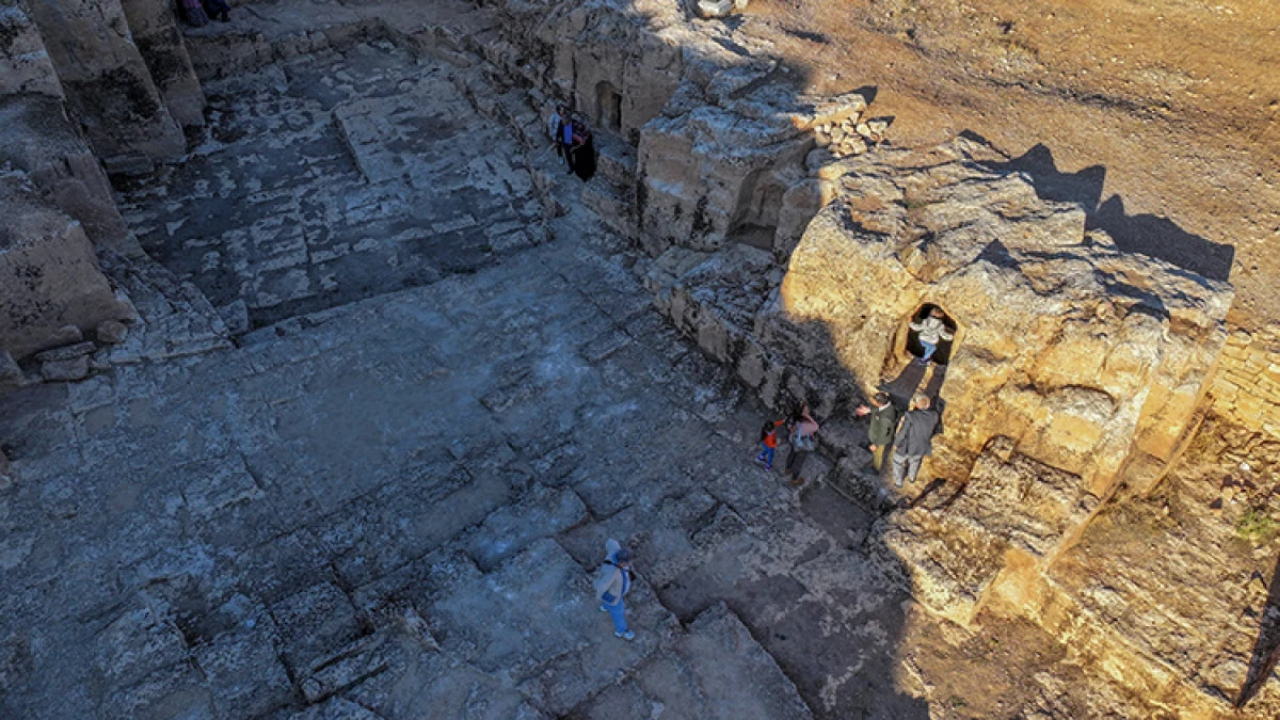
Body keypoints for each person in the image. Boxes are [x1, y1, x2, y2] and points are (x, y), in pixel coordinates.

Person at [891, 396, 940, 488]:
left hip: (907, 446)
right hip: (922, 446)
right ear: (928, 405)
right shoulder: (934, 416)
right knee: (915, 461)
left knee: (897, 462)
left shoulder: (911, 416)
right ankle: (912, 478)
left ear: (917, 405)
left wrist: (896, 444)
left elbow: (903, 432)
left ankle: (898, 482)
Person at [594, 539, 635, 640]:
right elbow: (601, 586)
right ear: (621, 562)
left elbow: (610, 542)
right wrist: (600, 597)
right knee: (618, 613)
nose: (630, 563)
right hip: (614, 596)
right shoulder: (612, 573)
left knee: (610, 602)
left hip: (612, 592)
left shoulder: (615, 551)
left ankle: (605, 606)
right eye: (627, 562)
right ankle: (621, 631)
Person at [855, 392, 898, 473]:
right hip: (876, 431)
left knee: (877, 454)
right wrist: (868, 410)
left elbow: (883, 434)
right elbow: (879, 409)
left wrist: (876, 444)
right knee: (873, 439)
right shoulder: (886, 405)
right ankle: (869, 446)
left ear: (879, 403)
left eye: (874, 401)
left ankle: (876, 469)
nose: (872, 402)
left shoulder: (886, 417)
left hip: (881, 438)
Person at [784, 402, 819, 487]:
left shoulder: (793, 418)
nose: (808, 410)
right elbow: (816, 426)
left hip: (793, 440)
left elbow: (789, 426)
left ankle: (788, 469)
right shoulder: (806, 424)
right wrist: (807, 416)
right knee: (799, 461)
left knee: (792, 454)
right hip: (802, 445)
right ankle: (794, 479)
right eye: (806, 410)